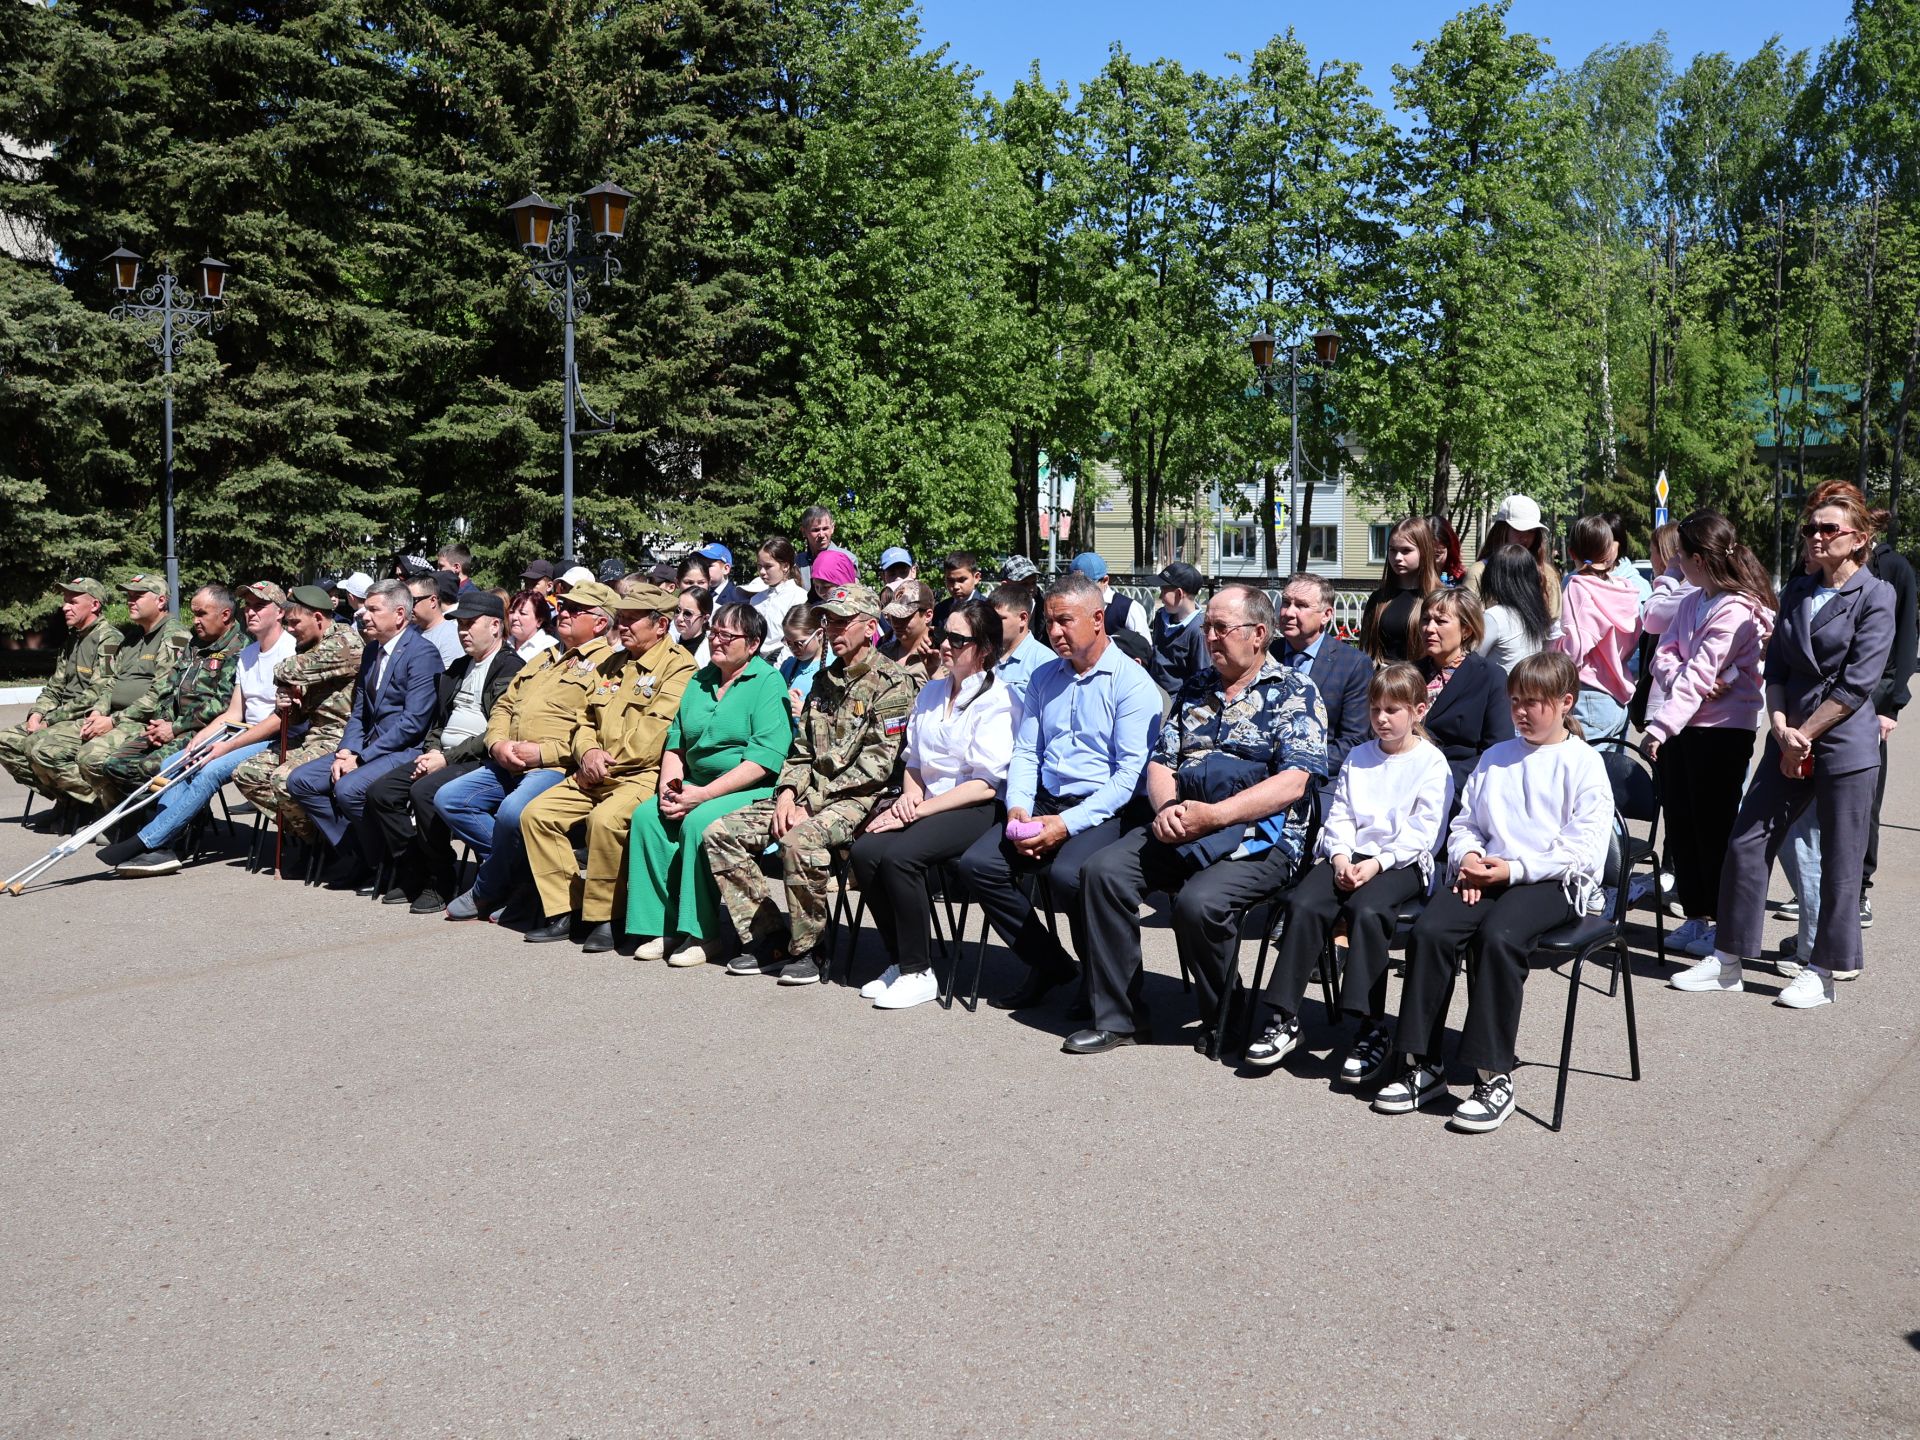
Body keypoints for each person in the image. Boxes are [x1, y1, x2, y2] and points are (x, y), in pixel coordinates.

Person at [1075, 585, 1328, 1054]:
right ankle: (1120, 1017)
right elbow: (1160, 761)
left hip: (1261, 836)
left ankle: (1226, 1013)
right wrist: (1168, 809)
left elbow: (1295, 782)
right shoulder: (1195, 687)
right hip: (1185, 821)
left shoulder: (1295, 691)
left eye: (1219, 628)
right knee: (1102, 872)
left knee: (1199, 904)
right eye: (1207, 626)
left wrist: (1217, 816)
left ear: (1258, 634)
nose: (1208, 636)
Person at [1675, 485, 1895, 1007]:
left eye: (1828, 529)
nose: (1815, 537)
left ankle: (1820, 974)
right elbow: (1775, 667)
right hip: (1787, 739)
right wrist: (1779, 728)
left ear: (1858, 539)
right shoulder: (1797, 590)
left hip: (1843, 744)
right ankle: (1729, 960)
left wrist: (1804, 734)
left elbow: (1856, 683)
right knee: (1747, 841)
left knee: (1841, 863)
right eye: (1810, 529)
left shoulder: (1875, 596)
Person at [1380, 652, 1611, 1132]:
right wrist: (1466, 857)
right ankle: (1423, 1064)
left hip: (1553, 882)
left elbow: (1583, 851)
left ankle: (1493, 1074)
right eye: (1515, 703)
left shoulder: (1583, 763)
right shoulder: (1496, 756)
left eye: (1535, 703)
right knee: (1433, 930)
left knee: (1500, 938)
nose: (1522, 713)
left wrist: (1512, 869)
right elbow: (1466, 821)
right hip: (1487, 873)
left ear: (1566, 703)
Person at [954, 571, 1162, 1011]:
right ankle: (1050, 963)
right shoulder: (1047, 677)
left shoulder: (1131, 684)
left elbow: (1128, 779)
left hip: (1106, 809)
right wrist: (1017, 810)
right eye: (1050, 622)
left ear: (1099, 619)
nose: (1054, 632)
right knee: (978, 864)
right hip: (1045, 800)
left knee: (1072, 876)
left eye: (1065, 621)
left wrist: (1064, 826)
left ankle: (1109, 987)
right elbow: (1027, 751)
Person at [1245, 662, 1454, 1075]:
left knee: (1368, 911)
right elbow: (1340, 815)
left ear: (1419, 710)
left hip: (1401, 861)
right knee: (1304, 903)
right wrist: (1340, 857)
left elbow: (1424, 833)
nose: (1381, 719)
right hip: (1350, 855)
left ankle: (1371, 1026)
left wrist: (1376, 864)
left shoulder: (1431, 764)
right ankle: (1284, 1016)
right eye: (1376, 709)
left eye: (1393, 710)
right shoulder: (1359, 757)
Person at [704, 583, 917, 985]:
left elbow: (874, 768)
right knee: (721, 834)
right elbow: (800, 751)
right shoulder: (823, 681)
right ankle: (771, 937)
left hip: (857, 801)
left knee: (799, 840)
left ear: (869, 627)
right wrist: (785, 794)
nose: (834, 630)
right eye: (828, 621)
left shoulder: (892, 683)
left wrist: (807, 803)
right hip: (806, 793)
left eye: (843, 621)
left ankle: (811, 947)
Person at [850, 601, 1019, 1010]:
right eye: (945, 635)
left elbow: (984, 783)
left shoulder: (998, 699)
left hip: (973, 806)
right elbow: (914, 761)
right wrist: (910, 796)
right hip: (926, 801)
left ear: (983, 649)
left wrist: (921, 809)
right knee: (866, 851)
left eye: (958, 640)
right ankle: (900, 959)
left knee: (901, 858)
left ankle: (919, 972)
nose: (945, 644)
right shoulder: (930, 691)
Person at [520, 584, 697, 952]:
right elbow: (583, 718)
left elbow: (656, 731)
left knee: (606, 820)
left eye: (633, 619)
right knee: (537, 814)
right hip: (593, 770)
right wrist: (586, 753)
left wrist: (605, 762)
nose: (624, 625)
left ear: (661, 625)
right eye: (623, 618)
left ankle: (606, 918)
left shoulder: (680, 667)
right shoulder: (614, 662)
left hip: (641, 774)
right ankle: (566, 909)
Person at [439, 580, 621, 921]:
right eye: (562, 606)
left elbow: (598, 730)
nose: (562, 612)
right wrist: (497, 743)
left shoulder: (611, 666)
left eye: (574, 609)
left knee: (512, 813)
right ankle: (522, 877)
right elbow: (504, 705)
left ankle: (488, 888)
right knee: (450, 798)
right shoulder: (545, 656)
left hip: (556, 767)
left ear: (599, 623)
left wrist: (544, 754)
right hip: (510, 759)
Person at [1638, 511, 1775, 961]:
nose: (1675, 565)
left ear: (1699, 558)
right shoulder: (1692, 599)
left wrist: (1659, 726)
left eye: (1681, 558)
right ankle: (1695, 913)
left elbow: (1703, 674)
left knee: (1713, 828)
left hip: (1722, 731)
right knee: (1682, 822)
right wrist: (1680, 677)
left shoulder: (1736, 607)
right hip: (1683, 725)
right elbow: (1665, 656)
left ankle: (1720, 924)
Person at [626, 602, 793, 967]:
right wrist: (670, 789)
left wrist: (700, 796)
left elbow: (764, 759)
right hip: (694, 784)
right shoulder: (700, 680)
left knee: (699, 822)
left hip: (748, 788)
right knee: (648, 817)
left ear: (752, 644)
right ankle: (662, 927)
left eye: (726, 635)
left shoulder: (767, 681)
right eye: (714, 632)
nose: (716, 640)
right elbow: (676, 742)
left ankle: (703, 933)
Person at [98, 582, 296, 875]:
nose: (251, 612)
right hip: (241, 729)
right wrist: (200, 740)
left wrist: (226, 746)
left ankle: (149, 841)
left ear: (279, 613)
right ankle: (164, 847)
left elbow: (280, 718)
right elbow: (234, 711)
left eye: (259, 606)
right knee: (173, 762)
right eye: (249, 606)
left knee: (209, 770)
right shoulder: (250, 653)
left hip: (274, 737)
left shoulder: (290, 650)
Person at [358, 591, 523, 911]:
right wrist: (432, 752)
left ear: (494, 626)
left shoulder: (511, 668)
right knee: (381, 793)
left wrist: (445, 758)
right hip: (442, 754)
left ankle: (441, 877)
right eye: (459, 625)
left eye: (470, 624)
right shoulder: (459, 667)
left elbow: (498, 730)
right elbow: (439, 720)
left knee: (424, 792)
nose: (462, 631)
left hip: (481, 757)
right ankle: (414, 866)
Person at [285, 578, 442, 882]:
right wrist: (347, 750)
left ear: (399, 615)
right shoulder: (372, 652)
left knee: (348, 788)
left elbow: (414, 723)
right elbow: (359, 712)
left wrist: (361, 757)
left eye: (373, 609)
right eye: (364, 609)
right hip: (367, 747)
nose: (363, 615)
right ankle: (360, 853)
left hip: (405, 750)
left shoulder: (422, 654)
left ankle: (389, 862)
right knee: (301, 781)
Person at [82, 584, 245, 813]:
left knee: (150, 767)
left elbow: (221, 704)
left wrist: (175, 728)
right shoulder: (196, 643)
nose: (195, 620)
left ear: (225, 615)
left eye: (202, 614)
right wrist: (163, 722)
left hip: (206, 731)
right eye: (194, 614)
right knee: (115, 764)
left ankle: (174, 817)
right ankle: (158, 813)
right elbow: (170, 685)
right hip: (171, 726)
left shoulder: (239, 649)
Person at [37, 574, 189, 809]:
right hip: (112, 717)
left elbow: (159, 695)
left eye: (138, 596)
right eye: (128, 596)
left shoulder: (174, 636)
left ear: (160, 601)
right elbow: (111, 683)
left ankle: (124, 815)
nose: (131, 601)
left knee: (90, 757)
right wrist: (98, 712)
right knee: (41, 746)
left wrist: (112, 720)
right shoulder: (133, 637)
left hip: (144, 722)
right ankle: (93, 806)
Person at [232, 587, 365, 845]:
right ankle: (311, 837)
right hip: (312, 736)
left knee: (285, 780)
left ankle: (337, 844)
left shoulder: (344, 642)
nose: (290, 629)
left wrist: (283, 677)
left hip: (340, 739)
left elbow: (288, 669)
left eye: (294, 623)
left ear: (318, 618)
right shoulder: (308, 645)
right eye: (287, 623)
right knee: (247, 773)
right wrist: (287, 704)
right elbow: (295, 712)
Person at [0, 578, 122, 807]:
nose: (65, 607)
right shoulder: (73, 639)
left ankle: (98, 803)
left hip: (83, 719)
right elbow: (55, 687)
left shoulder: (108, 639)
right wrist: (36, 714)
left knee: (40, 747)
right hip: (59, 718)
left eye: (73, 601)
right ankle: (66, 798)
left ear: (94, 605)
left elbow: (99, 692)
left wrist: (50, 720)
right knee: (6, 742)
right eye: (65, 601)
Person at [1857, 510, 1916, 926]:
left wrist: (1891, 705)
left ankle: (1859, 890)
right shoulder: (1821, 567)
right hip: (1825, 707)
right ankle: (1816, 888)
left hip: (1874, 702)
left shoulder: (1893, 568)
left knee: (1864, 803)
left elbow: (1906, 637)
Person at [1269, 572, 1371, 784]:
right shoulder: (1265, 654)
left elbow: (1353, 741)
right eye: (1286, 603)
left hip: (1319, 777)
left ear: (1326, 615)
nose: (1288, 612)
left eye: (1301, 606)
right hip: (1260, 772)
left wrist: (1294, 767)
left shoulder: (1352, 664)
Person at [1417, 588, 1515, 803]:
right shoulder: (1410, 673)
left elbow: (1498, 749)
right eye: (1425, 620)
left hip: (1458, 789)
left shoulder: (1490, 677)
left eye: (1440, 621)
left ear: (1466, 630)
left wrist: (1442, 777)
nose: (1429, 629)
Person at [1555, 516, 1642, 744]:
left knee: (1582, 776)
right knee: (1611, 776)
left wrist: (1552, 645)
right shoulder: (1626, 589)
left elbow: (1575, 649)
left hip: (1588, 696)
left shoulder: (1578, 587)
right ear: (1609, 549)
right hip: (1618, 698)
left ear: (1572, 553)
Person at [1467, 494, 1562, 624]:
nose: (1525, 538)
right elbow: (1468, 622)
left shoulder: (1547, 574)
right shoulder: (1479, 572)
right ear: (1502, 530)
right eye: (1518, 529)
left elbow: (1554, 625)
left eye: (1531, 531)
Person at [1358, 519, 1439, 665]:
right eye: (1392, 550)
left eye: (1406, 550)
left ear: (1424, 551)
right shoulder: (1379, 599)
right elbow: (1365, 650)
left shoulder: (1440, 598)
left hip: (1422, 682)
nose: (1397, 558)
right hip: (1381, 681)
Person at [1477, 544, 1552, 673]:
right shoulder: (1536, 615)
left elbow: (1473, 659)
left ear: (1493, 577)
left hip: (1498, 691)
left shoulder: (1494, 617)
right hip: (1526, 689)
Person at [990, 582, 1054, 707]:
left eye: (999, 618)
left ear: (1023, 618)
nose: (992, 624)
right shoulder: (985, 656)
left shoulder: (1044, 662)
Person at [1147, 561, 1207, 691]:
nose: (1161, 597)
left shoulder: (1198, 630)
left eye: (1163, 590)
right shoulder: (1160, 616)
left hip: (1176, 702)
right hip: (1153, 693)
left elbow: (1201, 674)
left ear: (1179, 594)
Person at [750, 537, 807, 659]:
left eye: (768, 566)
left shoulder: (799, 597)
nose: (762, 572)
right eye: (759, 566)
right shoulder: (756, 600)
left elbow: (795, 638)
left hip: (783, 660)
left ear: (785, 566)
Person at [1069, 551, 1148, 638]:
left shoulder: (1128, 608)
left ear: (1105, 581)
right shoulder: (1070, 607)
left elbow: (1144, 648)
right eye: (1075, 586)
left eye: (1086, 586)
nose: (1079, 591)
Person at [879, 579, 940, 688]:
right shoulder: (882, 653)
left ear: (928, 615)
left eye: (905, 616)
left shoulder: (941, 655)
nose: (896, 622)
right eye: (893, 615)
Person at [408, 571, 463, 669]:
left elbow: (445, 680)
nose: (408, 607)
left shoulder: (450, 636)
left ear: (433, 601)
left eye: (412, 601)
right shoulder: (409, 630)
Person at [777, 605, 825, 719]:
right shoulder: (788, 666)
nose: (793, 648)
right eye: (788, 643)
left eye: (799, 643)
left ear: (819, 634)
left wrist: (805, 711)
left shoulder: (834, 665)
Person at [931, 551, 985, 631]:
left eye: (962, 580)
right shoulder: (940, 609)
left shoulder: (988, 609)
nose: (956, 586)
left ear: (976, 578)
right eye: (951, 581)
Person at [508, 590, 560, 665]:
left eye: (522, 613)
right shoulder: (501, 643)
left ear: (539, 621)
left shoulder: (551, 648)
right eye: (511, 612)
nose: (514, 617)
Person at [695, 543, 750, 608]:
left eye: (709, 566)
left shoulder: (738, 600)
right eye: (701, 565)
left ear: (726, 569)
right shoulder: (697, 594)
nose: (702, 570)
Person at [673, 585, 713, 667]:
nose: (679, 618)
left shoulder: (709, 654)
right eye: (677, 611)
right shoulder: (669, 642)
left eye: (688, 614)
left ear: (705, 618)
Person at [1426, 515, 1466, 586]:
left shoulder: (1460, 579)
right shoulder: (1410, 579)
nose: (1432, 561)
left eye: (1437, 555)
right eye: (1427, 553)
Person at [799, 504, 837, 576]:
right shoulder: (797, 563)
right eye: (816, 530)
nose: (822, 535)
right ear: (804, 532)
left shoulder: (847, 560)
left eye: (825, 529)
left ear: (832, 528)